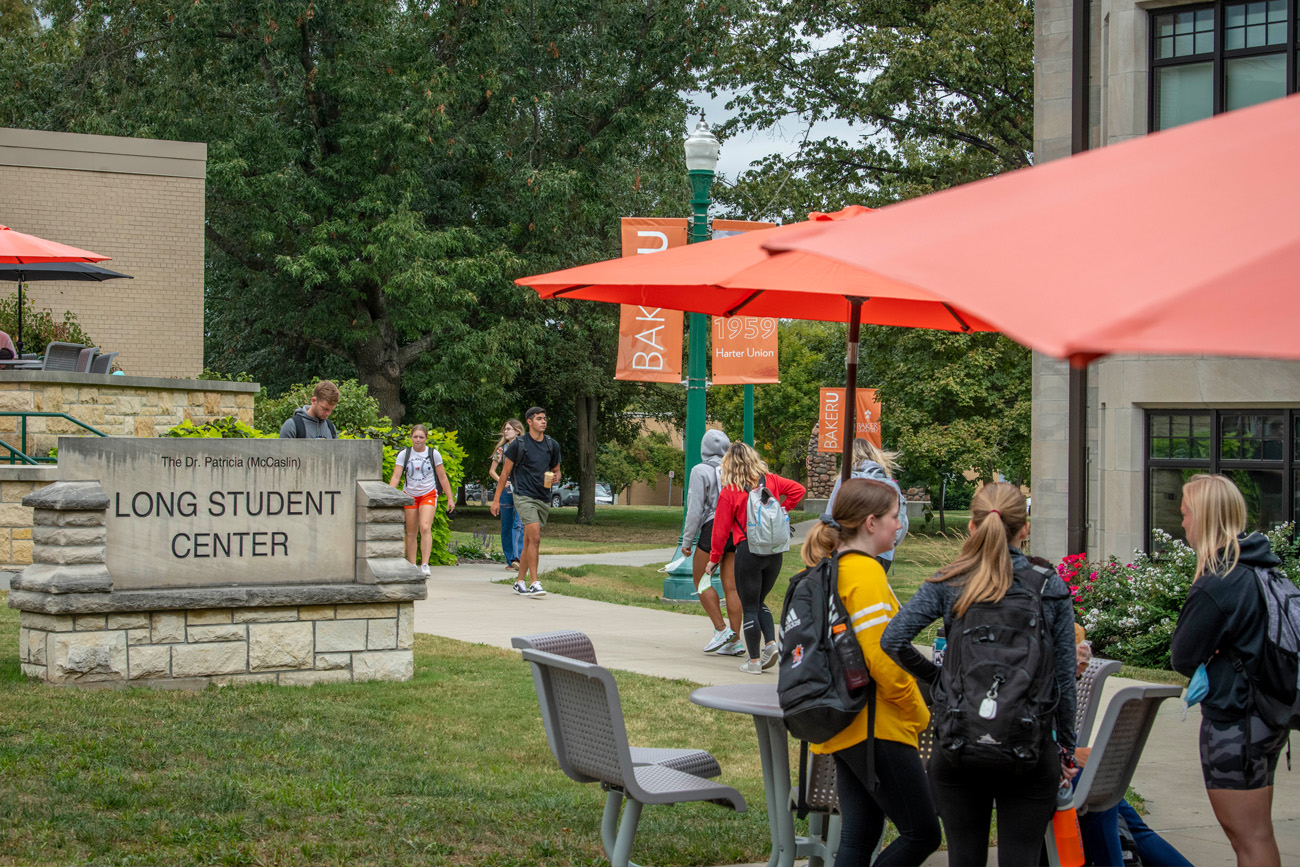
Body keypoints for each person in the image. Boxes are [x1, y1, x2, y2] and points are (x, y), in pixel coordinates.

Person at [881, 482, 1078, 867]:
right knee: (1021, 857)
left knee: (964, 857)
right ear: (1025, 529)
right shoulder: (1048, 586)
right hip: (1030, 744)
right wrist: (1066, 745)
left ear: (972, 527)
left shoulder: (951, 582)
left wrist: (937, 679)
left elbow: (894, 639)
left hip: (960, 740)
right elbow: (1064, 679)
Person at [803, 478, 942, 866]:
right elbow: (885, 660)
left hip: (847, 724)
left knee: (860, 835)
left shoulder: (834, 569)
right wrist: (918, 711)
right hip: (878, 726)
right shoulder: (865, 575)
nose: (899, 525)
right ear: (870, 522)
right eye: (895, 517)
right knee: (923, 833)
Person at [1170, 473, 1287, 867]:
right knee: (1257, 835)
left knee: (1249, 839)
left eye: (1185, 513)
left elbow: (1183, 655)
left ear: (1202, 517)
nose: (1182, 522)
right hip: (1265, 717)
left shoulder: (1218, 581)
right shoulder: (1259, 567)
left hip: (1234, 722)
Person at [708, 442, 804, 673]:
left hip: (748, 552)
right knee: (760, 601)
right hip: (774, 552)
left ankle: (753, 662)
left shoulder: (730, 491)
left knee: (749, 605)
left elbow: (720, 530)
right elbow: (798, 490)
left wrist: (713, 559)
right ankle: (770, 645)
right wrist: (782, 509)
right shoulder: (771, 480)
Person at [680, 430, 741, 653]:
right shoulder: (735, 469)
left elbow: (695, 509)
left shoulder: (700, 470)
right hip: (736, 528)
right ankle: (735, 641)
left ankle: (721, 629)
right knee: (732, 588)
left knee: (702, 581)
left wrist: (687, 540)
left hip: (713, 527)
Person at [490, 406, 560, 597]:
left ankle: (519, 581)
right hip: (522, 495)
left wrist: (556, 477)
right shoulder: (518, 445)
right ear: (529, 422)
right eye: (539, 418)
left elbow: (557, 470)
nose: (543, 421)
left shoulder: (552, 445)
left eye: (544, 418)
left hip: (543, 497)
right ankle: (534, 582)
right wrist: (496, 501)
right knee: (535, 538)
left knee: (530, 540)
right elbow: (504, 474)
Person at [827, 438, 909, 573]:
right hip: (884, 553)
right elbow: (902, 521)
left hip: (851, 550)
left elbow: (831, 517)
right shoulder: (887, 482)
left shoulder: (846, 480)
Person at [387, 424, 454, 575]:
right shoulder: (404, 454)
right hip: (409, 495)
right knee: (411, 531)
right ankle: (411, 564)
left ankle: (425, 564)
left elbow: (442, 477)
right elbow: (396, 476)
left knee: (425, 527)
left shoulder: (433, 454)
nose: (418, 440)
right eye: (415, 437)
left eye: (421, 437)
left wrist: (450, 498)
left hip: (428, 493)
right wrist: (389, 496)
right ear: (411, 437)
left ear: (426, 438)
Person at [489, 419, 526, 570]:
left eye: (509, 429)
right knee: (506, 526)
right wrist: (502, 480)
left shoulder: (525, 447)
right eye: (504, 429)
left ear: (518, 431)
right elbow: (492, 471)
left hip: (521, 488)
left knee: (519, 523)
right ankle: (510, 560)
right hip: (505, 490)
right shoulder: (501, 450)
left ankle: (518, 558)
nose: (505, 431)